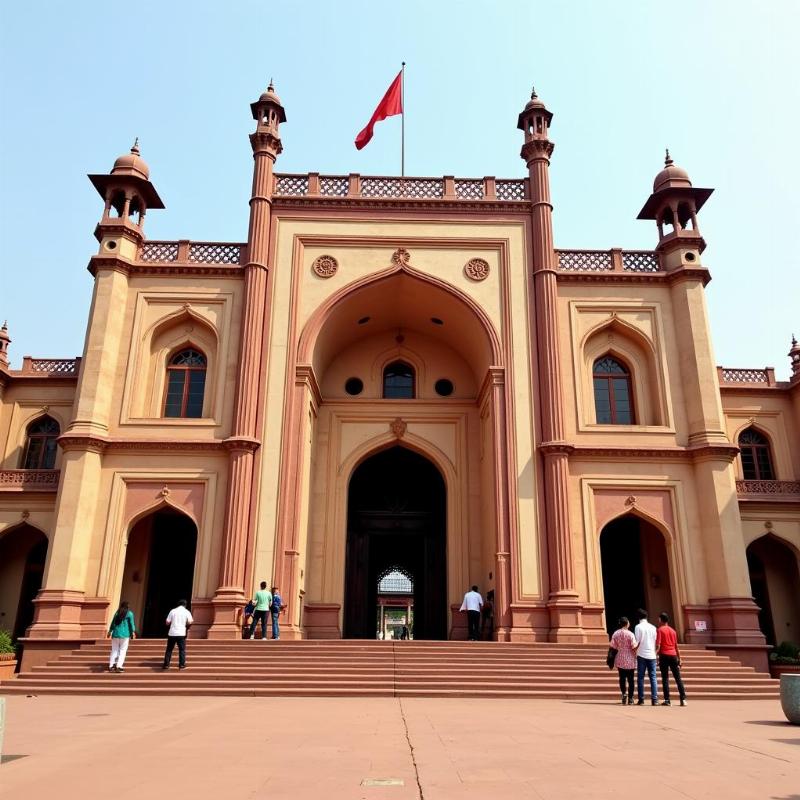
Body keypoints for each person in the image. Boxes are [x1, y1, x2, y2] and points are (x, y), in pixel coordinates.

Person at [656, 612, 687, 706]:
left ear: (661, 620)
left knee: (665, 678)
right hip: (673, 655)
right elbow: (676, 646)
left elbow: (658, 645)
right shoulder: (673, 631)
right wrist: (680, 658)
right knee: (678, 678)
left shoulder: (660, 630)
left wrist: (655, 656)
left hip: (664, 655)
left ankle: (667, 700)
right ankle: (683, 699)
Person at [634, 608, 658, 705]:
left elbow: (637, 641)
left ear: (638, 617)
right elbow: (655, 641)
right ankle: (654, 699)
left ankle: (641, 699)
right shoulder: (653, 627)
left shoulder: (638, 627)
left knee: (640, 677)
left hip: (642, 654)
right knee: (653, 677)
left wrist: (634, 651)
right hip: (652, 655)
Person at [610, 616, 637, 704]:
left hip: (620, 657)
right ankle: (631, 698)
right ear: (627, 623)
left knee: (622, 678)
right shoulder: (630, 634)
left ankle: (624, 694)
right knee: (631, 679)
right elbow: (633, 646)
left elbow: (613, 646)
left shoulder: (616, 633)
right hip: (630, 658)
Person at [163, 599, 193, 670]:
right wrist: (185, 624)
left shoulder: (172, 611)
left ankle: (166, 665)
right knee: (182, 649)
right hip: (181, 633)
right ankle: (181, 665)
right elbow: (190, 621)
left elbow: (167, 622)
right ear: (185, 605)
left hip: (172, 633)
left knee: (169, 649)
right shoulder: (186, 611)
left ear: (178, 604)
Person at [107, 600, 136, 673]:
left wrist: (110, 631)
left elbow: (113, 623)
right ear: (127, 607)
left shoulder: (117, 613)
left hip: (116, 633)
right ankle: (119, 666)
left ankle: (111, 665)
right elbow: (131, 624)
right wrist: (133, 632)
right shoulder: (129, 614)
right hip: (125, 634)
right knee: (123, 651)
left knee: (114, 650)